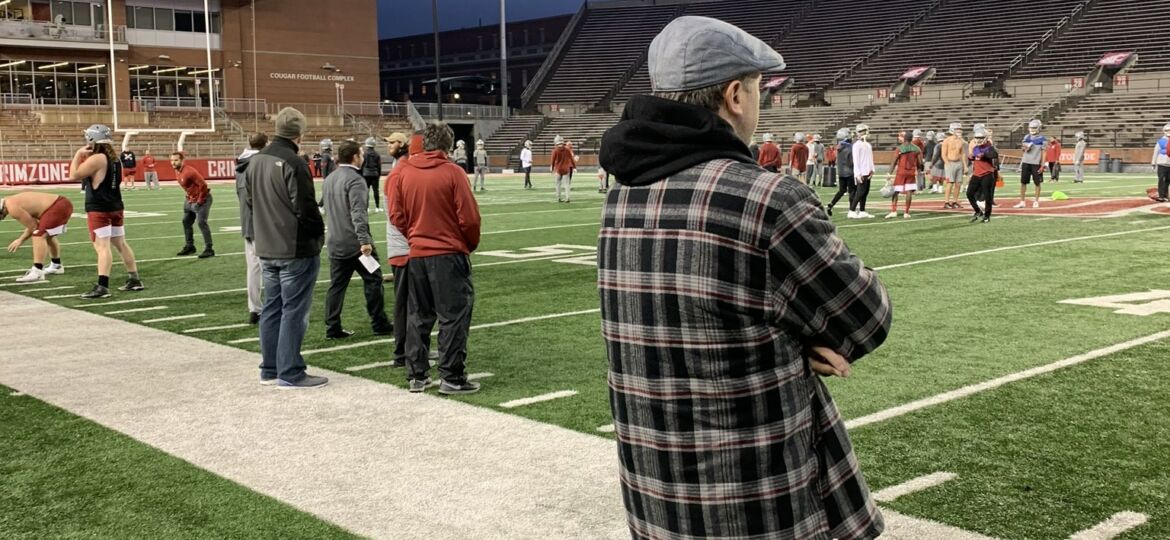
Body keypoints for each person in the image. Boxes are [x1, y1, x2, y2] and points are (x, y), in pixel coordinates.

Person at [597, 16, 890, 540]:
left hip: (655, 493)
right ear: (735, 95)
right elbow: (867, 317)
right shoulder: (767, 198)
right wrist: (799, 339)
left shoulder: (621, 197)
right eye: (758, 91)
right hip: (758, 499)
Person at [390, 122, 482, 395]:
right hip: (448, 253)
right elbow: (469, 218)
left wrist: (415, 237)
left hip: (417, 253)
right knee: (453, 317)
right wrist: (465, 244)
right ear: (448, 145)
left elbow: (397, 215)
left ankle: (417, 375)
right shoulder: (453, 172)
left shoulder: (404, 174)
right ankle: (452, 377)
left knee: (418, 315)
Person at [244, 107, 329, 389]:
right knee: (294, 310)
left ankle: (270, 367)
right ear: (299, 133)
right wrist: (319, 234)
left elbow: (250, 202)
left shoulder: (255, 161)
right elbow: (305, 208)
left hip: (266, 245)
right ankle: (290, 370)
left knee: (272, 308)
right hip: (294, 247)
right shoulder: (294, 162)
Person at [322, 140, 394, 340]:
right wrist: (364, 241)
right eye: (360, 154)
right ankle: (379, 322)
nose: (362, 157)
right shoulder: (355, 180)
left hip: (335, 241)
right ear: (355, 156)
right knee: (373, 279)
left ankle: (332, 326)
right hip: (355, 244)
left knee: (337, 286)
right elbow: (358, 213)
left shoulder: (330, 178)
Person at [71, 125, 144, 299]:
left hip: (99, 208)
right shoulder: (115, 159)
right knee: (121, 244)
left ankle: (102, 286)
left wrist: (77, 155)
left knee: (102, 247)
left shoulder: (97, 158)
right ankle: (134, 279)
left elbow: (74, 174)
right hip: (115, 205)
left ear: (92, 140)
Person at [1, 192, 72, 283]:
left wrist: (20, 240)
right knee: (47, 235)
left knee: (38, 234)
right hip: (60, 203)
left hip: (58, 206)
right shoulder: (10, 201)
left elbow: (34, 227)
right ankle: (56, 265)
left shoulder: (12, 207)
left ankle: (37, 271)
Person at [236, 133, 268, 324]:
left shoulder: (240, 165)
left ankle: (254, 308)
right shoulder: (261, 164)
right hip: (262, 223)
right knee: (269, 268)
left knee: (253, 268)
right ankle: (270, 307)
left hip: (247, 221)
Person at [171, 151, 214, 258]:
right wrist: (189, 198)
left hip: (202, 199)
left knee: (201, 222)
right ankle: (190, 246)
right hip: (190, 200)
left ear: (182, 160)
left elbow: (203, 185)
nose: (173, 162)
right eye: (171, 160)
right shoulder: (177, 171)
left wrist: (199, 201)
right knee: (186, 221)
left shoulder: (189, 171)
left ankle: (209, 249)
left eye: (176, 160)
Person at [886, 130, 922, 219]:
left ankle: (894, 211)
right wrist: (919, 170)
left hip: (901, 172)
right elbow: (920, 163)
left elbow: (894, 162)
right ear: (911, 139)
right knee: (909, 192)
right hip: (911, 172)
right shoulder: (917, 149)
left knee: (896, 191)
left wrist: (889, 173)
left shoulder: (900, 148)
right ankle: (906, 212)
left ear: (904, 138)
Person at [967, 126, 1000, 223]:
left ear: (985, 138)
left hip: (987, 174)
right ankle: (977, 211)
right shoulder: (976, 148)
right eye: (977, 138)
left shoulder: (990, 147)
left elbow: (994, 155)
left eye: (981, 138)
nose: (979, 140)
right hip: (976, 174)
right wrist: (971, 157)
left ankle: (987, 215)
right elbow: (974, 157)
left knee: (988, 196)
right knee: (969, 193)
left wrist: (984, 155)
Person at [1016, 119, 1047, 208]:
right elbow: (1023, 149)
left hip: (1036, 163)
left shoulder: (1042, 139)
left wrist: (1042, 164)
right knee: (1023, 182)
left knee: (1037, 183)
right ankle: (1022, 201)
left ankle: (1036, 201)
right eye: (1031, 128)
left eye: (1034, 128)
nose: (1032, 130)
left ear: (1038, 128)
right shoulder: (1026, 137)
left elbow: (1044, 152)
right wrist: (1026, 147)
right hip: (1026, 162)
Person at [825, 127, 853, 217]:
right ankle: (851, 210)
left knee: (842, 190)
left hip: (841, 172)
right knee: (852, 191)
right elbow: (851, 160)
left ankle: (831, 204)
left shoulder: (838, 147)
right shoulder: (850, 147)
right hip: (849, 171)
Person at [852, 123, 876, 218]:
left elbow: (870, 158)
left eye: (865, 131)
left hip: (868, 171)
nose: (864, 133)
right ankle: (852, 210)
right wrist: (858, 173)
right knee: (860, 192)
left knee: (865, 192)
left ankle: (862, 210)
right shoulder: (856, 145)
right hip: (861, 172)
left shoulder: (868, 145)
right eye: (862, 131)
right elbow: (856, 160)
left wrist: (872, 169)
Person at [942, 122, 968, 209]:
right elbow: (943, 155)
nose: (960, 131)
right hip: (950, 163)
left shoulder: (961, 141)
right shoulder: (947, 141)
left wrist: (965, 166)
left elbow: (963, 154)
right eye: (958, 129)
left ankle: (955, 201)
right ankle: (946, 202)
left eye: (960, 129)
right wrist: (948, 164)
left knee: (958, 183)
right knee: (950, 183)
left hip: (958, 163)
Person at [360, 137, 383, 211]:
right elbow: (379, 166)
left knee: (366, 191)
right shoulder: (377, 154)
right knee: (376, 190)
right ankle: (377, 207)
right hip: (374, 174)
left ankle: (367, 207)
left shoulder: (364, 154)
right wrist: (379, 174)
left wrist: (361, 174)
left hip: (366, 174)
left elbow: (362, 165)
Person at [551, 135, 574, 203]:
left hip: (558, 169)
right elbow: (571, 159)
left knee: (558, 184)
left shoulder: (555, 150)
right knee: (567, 184)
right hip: (566, 169)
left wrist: (552, 168)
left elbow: (552, 160)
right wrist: (574, 166)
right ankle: (568, 197)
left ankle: (558, 197)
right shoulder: (567, 150)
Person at [1154, 124, 1170, 202]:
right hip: (1162, 163)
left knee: (1168, 180)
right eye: (1167, 130)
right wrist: (1153, 162)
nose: (1169, 132)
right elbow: (1156, 152)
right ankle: (1161, 195)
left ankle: (1166, 195)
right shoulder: (1161, 141)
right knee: (1161, 180)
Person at [929, 131, 947, 198]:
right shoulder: (946, 144)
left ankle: (935, 188)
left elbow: (935, 155)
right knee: (942, 177)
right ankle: (940, 189)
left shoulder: (938, 145)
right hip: (945, 162)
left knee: (935, 176)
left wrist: (932, 163)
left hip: (938, 163)